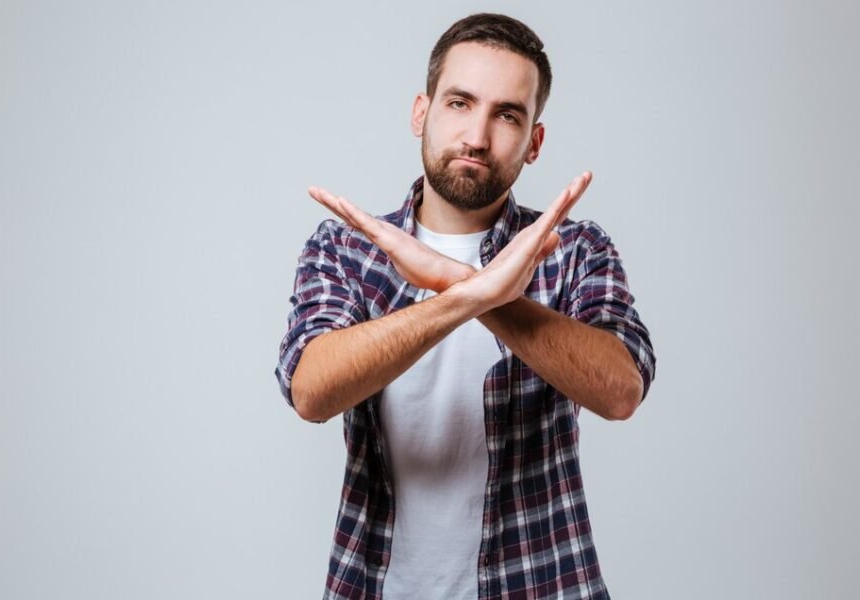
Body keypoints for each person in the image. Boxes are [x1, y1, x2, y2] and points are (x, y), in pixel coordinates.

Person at [275, 12, 656, 600]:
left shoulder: (574, 249)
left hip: (542, 585)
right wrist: (475, 291)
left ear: (534, 143)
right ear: (421, 113)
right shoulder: (347, 248)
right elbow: (311, 391)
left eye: (507, 115)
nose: (477, 136)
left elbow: (620, 390)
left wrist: (453, 282)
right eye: (459, 103)